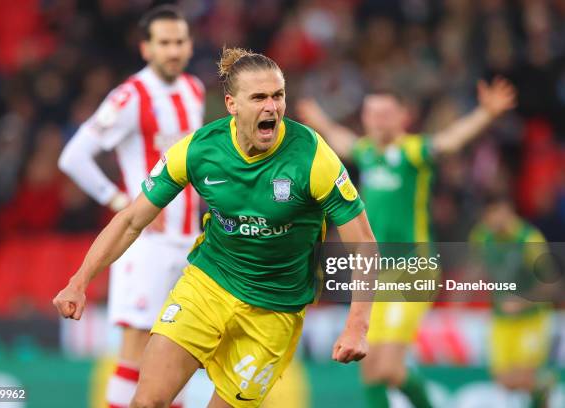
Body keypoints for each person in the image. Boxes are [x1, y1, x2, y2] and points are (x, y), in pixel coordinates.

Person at [54, 47, 375, 408]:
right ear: (232, 104)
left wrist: (357, 326)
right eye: (259, 97)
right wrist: (79, 282)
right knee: (145, 402)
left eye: (278, 96)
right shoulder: (199, 150)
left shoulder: (313, 157)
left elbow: (364, 244)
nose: (272, 107)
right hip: (208, 285)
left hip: (275, 310)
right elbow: (131, 220)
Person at [297, 78, 517, 407]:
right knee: (370, 369)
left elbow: (449, 141)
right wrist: (317, 119)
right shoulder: (367, 152)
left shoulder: (413, 151)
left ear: (404, 117)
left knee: (386, 367)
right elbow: (342, 140)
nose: (376, 119)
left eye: (385, 113)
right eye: (371, 112)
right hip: (377, 274)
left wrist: (484, 114)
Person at [57, 6, 204, 408]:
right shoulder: (129, 97)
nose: (173, 51)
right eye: (164, 43)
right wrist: (121, 200)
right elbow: (73, 157)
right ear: (146, 48)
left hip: (190, 239)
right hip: (146, 243)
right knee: (136, 349)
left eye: (179, 42)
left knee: (178, 350)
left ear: (189, 45)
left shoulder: (194, 89)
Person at [469, 194, 554, 408]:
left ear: (507, 211)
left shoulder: (529, 239)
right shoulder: (482, 237)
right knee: (503, 381)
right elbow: (478, 267)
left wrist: (522, 301)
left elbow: (551, 285)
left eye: (493, 214)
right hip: (501, 320)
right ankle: (542, 387)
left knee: (523, 377)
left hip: (530, 320)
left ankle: (541, 389)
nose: (490, 221)